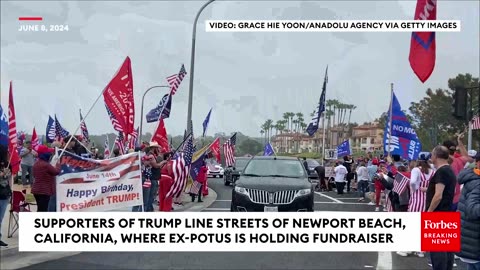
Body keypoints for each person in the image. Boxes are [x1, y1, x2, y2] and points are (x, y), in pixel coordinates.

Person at [426, 146, 457, 270]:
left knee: (437, 249)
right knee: (447, 249)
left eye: (432, 154)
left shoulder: (442, 171)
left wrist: (429, 211)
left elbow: (438, 195)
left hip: (438, 214)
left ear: (436, 156)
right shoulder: (450, 170)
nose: (431, 157)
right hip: (447, 212)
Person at [456, 151, 480, 270]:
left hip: (470, 244)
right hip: (474, 245)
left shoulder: (472, 177)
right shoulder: (478, 182)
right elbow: (472, 208)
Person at [443, 132, 473, 211]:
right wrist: (460, 142)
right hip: (459, 199)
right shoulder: (459, 160)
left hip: (447, 199)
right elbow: (467, 158)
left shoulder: (443, 163)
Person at [31, 145, 60, 212]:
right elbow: (56, 172)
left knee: (40, 209)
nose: (50, 154)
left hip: (36, 190)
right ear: (45, 154)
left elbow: (34, 175)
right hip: (44, 191)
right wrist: (58, 164)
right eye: (48, 152)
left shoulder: (36, 164)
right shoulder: (46, 165)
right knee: (43, 210)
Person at [0, 145, 12, 247]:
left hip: (4, 194)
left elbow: (9, 178)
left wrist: (10, 190)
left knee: (0, 218)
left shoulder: (7, 164)